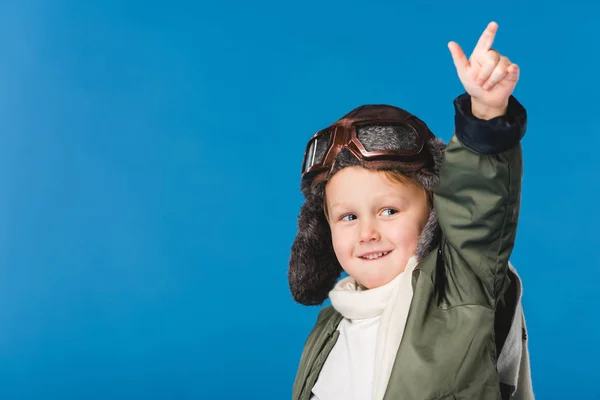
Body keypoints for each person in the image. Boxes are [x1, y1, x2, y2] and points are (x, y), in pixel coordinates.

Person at [288, 22, 534, 400]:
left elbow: (475, 211)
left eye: (388, 211)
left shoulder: (458, 291)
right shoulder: (330, 325)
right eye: (349, 217)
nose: (367, 232)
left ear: (433, 214)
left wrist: (485, 113)